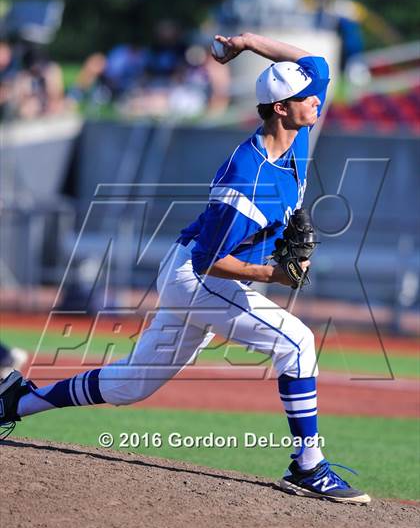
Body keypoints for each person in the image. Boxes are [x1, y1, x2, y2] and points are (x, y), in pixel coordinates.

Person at [0, 32, 370, 504]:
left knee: (131, 384)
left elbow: (314, 61)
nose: (316, 100)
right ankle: (308, 466)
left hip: (196, 270)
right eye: (304, 98)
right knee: (297, 342)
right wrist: (275, 276)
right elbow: (211, 261)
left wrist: (248, 42)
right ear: (279, 108)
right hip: (198, 278)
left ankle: (15, 400)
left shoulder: (296, 131)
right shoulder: (246, 179)